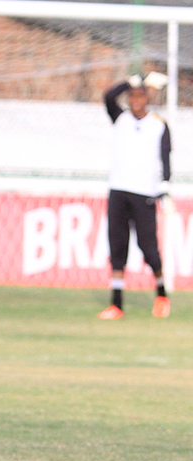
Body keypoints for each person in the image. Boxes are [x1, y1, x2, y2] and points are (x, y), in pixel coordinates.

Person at [99, 72, 172, 320]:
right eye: (132, 96)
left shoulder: (158, 125)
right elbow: (108, 96)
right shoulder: (120, 119)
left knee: (148, 248)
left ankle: (162, 293)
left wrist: (166, 189)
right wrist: (133, 80)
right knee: (117, 246)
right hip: (119, 189)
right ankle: (116, 304)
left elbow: (165, 158)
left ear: (147, 98)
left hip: (145, 193)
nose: (135, 100)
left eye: (140, 95)